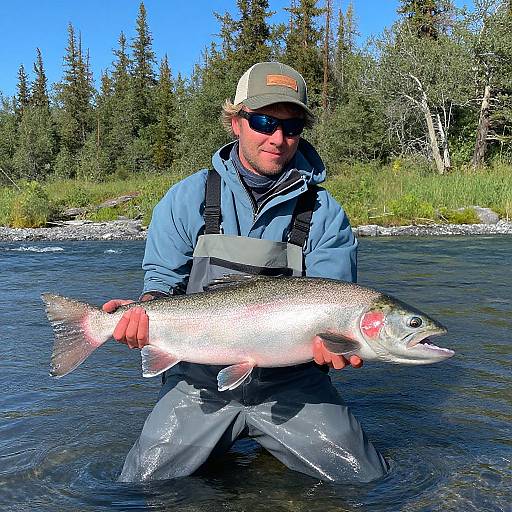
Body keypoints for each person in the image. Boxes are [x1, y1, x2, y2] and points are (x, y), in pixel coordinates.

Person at [103, 62, 389, 483]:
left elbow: (337, 300)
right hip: (198, 384)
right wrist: (138, 317)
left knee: (365, 480)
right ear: (235, 122)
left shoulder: (325, 214)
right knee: (140, 486)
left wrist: (341, 348)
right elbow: (161, 287)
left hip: (293, 387)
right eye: (263, 121)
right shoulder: (186, 199)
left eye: (291, 128)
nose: (277, 138)